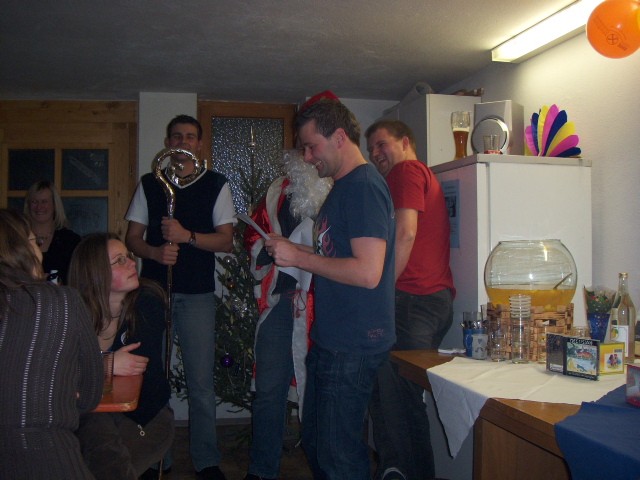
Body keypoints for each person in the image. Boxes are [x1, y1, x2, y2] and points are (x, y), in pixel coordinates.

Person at [265, 99, 396, 479]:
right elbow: (336, 255)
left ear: (339, 137)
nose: (307, 158)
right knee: (320, 445)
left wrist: (299, 258)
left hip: (353, 344)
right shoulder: (344, 187)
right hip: (334, 339)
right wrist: (294, 250)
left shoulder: (363, 188)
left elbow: (368, 272)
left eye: (312, 147)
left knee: (338, 457)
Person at [125, 114, 236, 480]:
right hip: (154, 293)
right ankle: (157, 458)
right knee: (153, 379)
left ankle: (206, 461)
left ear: (199, 144)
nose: (183, 142)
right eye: (177, 136)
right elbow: (133, 238)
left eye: (190, 137)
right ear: (168, 142)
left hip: (197, 295)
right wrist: (155, 253)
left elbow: (226, 240)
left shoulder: (216, 184)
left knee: (200, 382)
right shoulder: (150, 183)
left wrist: (187, 236)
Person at [365, 120, 455, 480]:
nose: (375, 153)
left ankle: (403, 472)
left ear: (405, 141)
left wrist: (380, 291)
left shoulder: (406, 171)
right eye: (371, 148)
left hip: (412, 301)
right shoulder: (418, 175)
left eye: (381, 144)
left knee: (399, 402)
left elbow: (405, 234)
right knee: (399, 399)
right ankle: (399, 470)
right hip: (425, 301)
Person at [243, 149, 332, 480]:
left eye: (313, 145)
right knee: (268, 390)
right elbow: (253, 235)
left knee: (324, 394)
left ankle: (326, 469)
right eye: (302, 146)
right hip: (281, 303)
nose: (308, 155)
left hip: (325, 306)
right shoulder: (276, 192)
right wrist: (267, 247)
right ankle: (261, 470)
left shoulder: (340, 188)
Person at [0, 208, 103, 480]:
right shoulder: (63, 302)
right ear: (21, 250)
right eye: (34, 241)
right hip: (50, 454)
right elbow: (91, 394)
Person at [68, 233, 175, 480]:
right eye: (120, 260)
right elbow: (59, 369)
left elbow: (135, 365)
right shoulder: (72, 312)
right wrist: (108, 362)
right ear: (95, 272)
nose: (132, 263)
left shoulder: (147, 302)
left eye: (128, 257)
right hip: (91, 417)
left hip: (145, 418)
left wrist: (93, 366)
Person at [24, 180, 81, 284]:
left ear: (55, 205)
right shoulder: (19, 238)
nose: (39, 207)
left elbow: (78, 280)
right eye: (34, 202)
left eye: (44, 201)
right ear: (28, 205)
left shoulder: (71, 241)